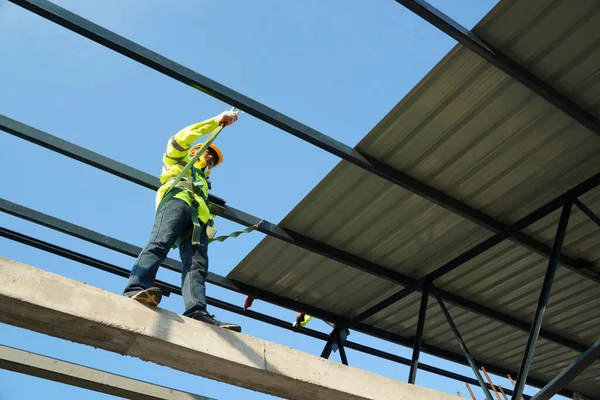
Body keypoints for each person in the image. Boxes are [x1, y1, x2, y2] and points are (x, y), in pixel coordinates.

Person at [123, 110, 241, 332]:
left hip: (197, 222)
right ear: (195, 150)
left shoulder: (205, 185)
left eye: (213, 160)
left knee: (197, 266)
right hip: (177, 201)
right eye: (206, 152)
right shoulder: (178, 161)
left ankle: (197, 311)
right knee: (160, 243)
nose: (209, 158)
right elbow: (178, 139)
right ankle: (136, 287)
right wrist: (215, 122)